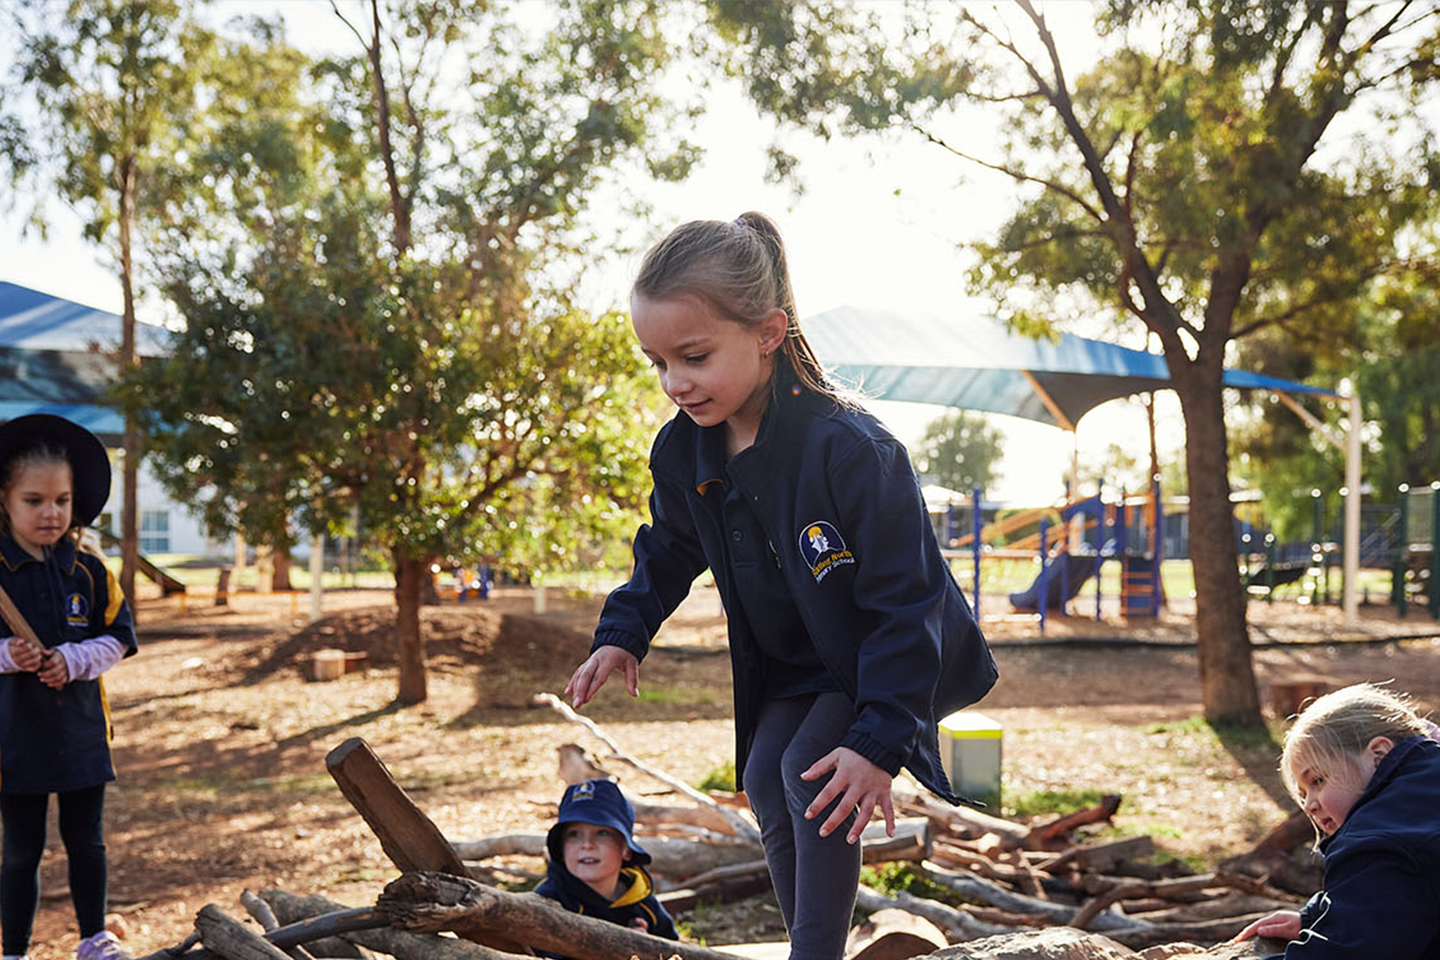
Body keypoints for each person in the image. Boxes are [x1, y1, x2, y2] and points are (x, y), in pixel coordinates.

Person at [564, 212, 997, 960]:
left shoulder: (855, 451)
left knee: (812, 776)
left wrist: (877, 739)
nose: (675, 383)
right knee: (767, 777)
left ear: (768, 332)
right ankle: (812, 946)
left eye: (694, 356)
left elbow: (910, 603)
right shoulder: (686, 446)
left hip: (874, 662)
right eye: (657, 362)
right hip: (788, 666)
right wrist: (623, 633)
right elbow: (667, 547)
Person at [0, 414, 138, 960]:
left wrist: (71, 659)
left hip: (81, 732)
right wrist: (8, 655)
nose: (50, 512)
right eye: (33, 500)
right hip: (14, 740)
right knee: (20, 851)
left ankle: (94, 938)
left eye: (61, 500)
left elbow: (120, 638)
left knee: (87, 842)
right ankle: (14, 950)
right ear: (5, 500)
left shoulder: (90, 571)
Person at [1233, 682, 1440, 958]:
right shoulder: (1421, 793)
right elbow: (1397, 892)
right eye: (1303, 794)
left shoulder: (1378, 839)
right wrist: (1317, 916)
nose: (1308, 805)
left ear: (1379, 755)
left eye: (1318, 780)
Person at [533, 779, 678, 950]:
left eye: (602, 833)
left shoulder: (643, 904)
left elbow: (675, 952)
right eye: (574, 834)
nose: (587, 844)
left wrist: (647, 948)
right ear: (560, 848)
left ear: (626, 849)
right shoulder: (549, 902)